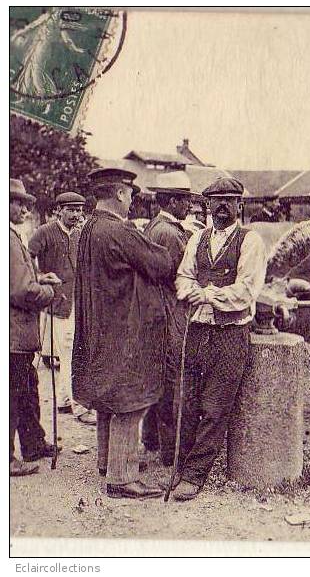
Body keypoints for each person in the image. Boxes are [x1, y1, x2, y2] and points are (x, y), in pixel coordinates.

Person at [72, 168, 177, 500]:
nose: (132, 201)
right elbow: (160, 264)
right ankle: (122, 477)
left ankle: (108, 461)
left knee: (107, 398)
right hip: (124, 328)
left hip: (100, 327)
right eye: (130, 194)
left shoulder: (90, 228)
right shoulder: (119, 230)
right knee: (130, 401)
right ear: (119, 194)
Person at [171, 177, 266, 501]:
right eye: (216, 200)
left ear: (240, 205)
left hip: (230, 333)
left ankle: (195, 475)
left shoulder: (250, 241)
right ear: (207, 205)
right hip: (197, 329)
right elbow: (183, 277)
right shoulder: (197, 238)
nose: (222, 206)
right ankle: (181, 466)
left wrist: (207, 294)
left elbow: (246, 290)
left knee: (214, 407)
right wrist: (190, 291)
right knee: (187, 401)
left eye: (229, 200)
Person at [140, 171, 193, 465]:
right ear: (172, 201)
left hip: (156, 310)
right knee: (172, 379)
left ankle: (151, 438)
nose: (189, 206)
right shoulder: (170, 234)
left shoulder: (155, 226)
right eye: (184, 200)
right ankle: (170, 450)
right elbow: (180, 276)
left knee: (158, 377)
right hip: (171, 309)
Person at [10, 179, 62, 476]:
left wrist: (41, 279)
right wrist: (47, 293)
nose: (26, 210)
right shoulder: (9, 239)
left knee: (28, 389)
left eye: (27, 204)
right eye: (18, 203)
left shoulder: (15, 237)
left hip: (19, 336)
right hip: (13, 335)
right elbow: (20, 292)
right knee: (14, 396)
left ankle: (33, 444)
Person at [28, 191, 86, 420]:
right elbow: (25, 258)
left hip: (77, 301)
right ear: (58, 210)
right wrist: (40, 276)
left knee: (70, 352)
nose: (75, 214)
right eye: (70, 209)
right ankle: (78, 406)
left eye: (79, 209)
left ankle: (63, 399)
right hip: (56, 303)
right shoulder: (45, 232)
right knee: (70, 353)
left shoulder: (81, 234)